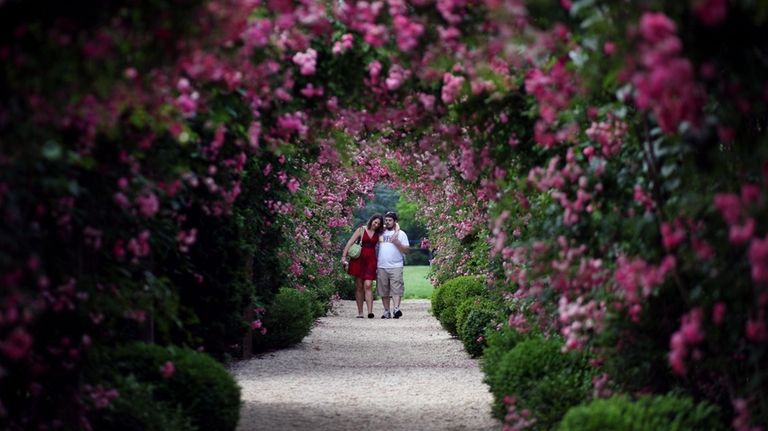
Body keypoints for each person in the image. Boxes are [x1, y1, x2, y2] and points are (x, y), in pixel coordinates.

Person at [342, 214, 384, 318]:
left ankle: (370, 312)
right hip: (358, 259)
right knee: (359, 286)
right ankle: (360, 312)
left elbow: (384, 243)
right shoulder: (361, 230)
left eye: (378, 223)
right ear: (371, 220)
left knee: (368, 284)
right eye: (375, 222)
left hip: (371, 260)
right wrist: (343, 256)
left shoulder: (379, 234)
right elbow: (350, 242)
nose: (376, 224)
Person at [377, 211, 409, 319]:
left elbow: (407, 250)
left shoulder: (401, 234)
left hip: (396, 265)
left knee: (396, 288)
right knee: (383, 290)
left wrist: (397, 243)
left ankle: (396, 309)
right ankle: (386, 311)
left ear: (395, 222)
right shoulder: (381, 233)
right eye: (386, 220)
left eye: (390, 220)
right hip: (382, 265)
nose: (387, 222)